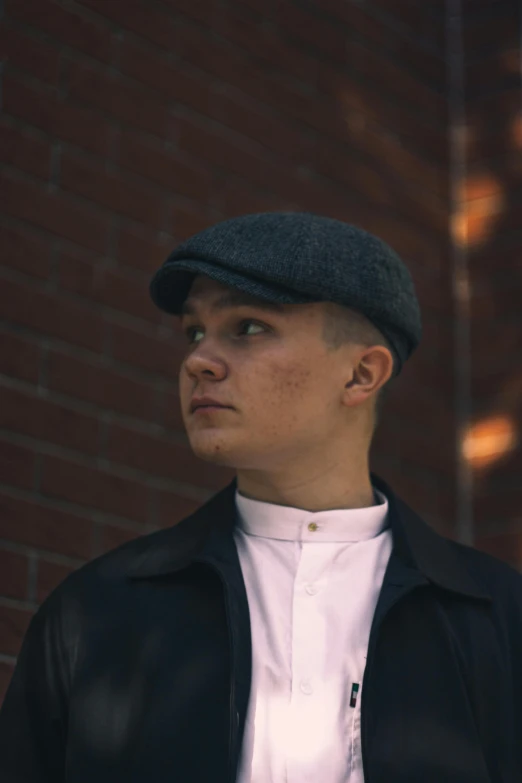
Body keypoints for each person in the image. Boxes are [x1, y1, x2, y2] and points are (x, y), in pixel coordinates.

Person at [0, 211, 520, 783]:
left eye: (248, 327)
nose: (198, 360)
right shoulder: (96, 611)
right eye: (194, 332)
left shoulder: (501, 620)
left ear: (360, 375)